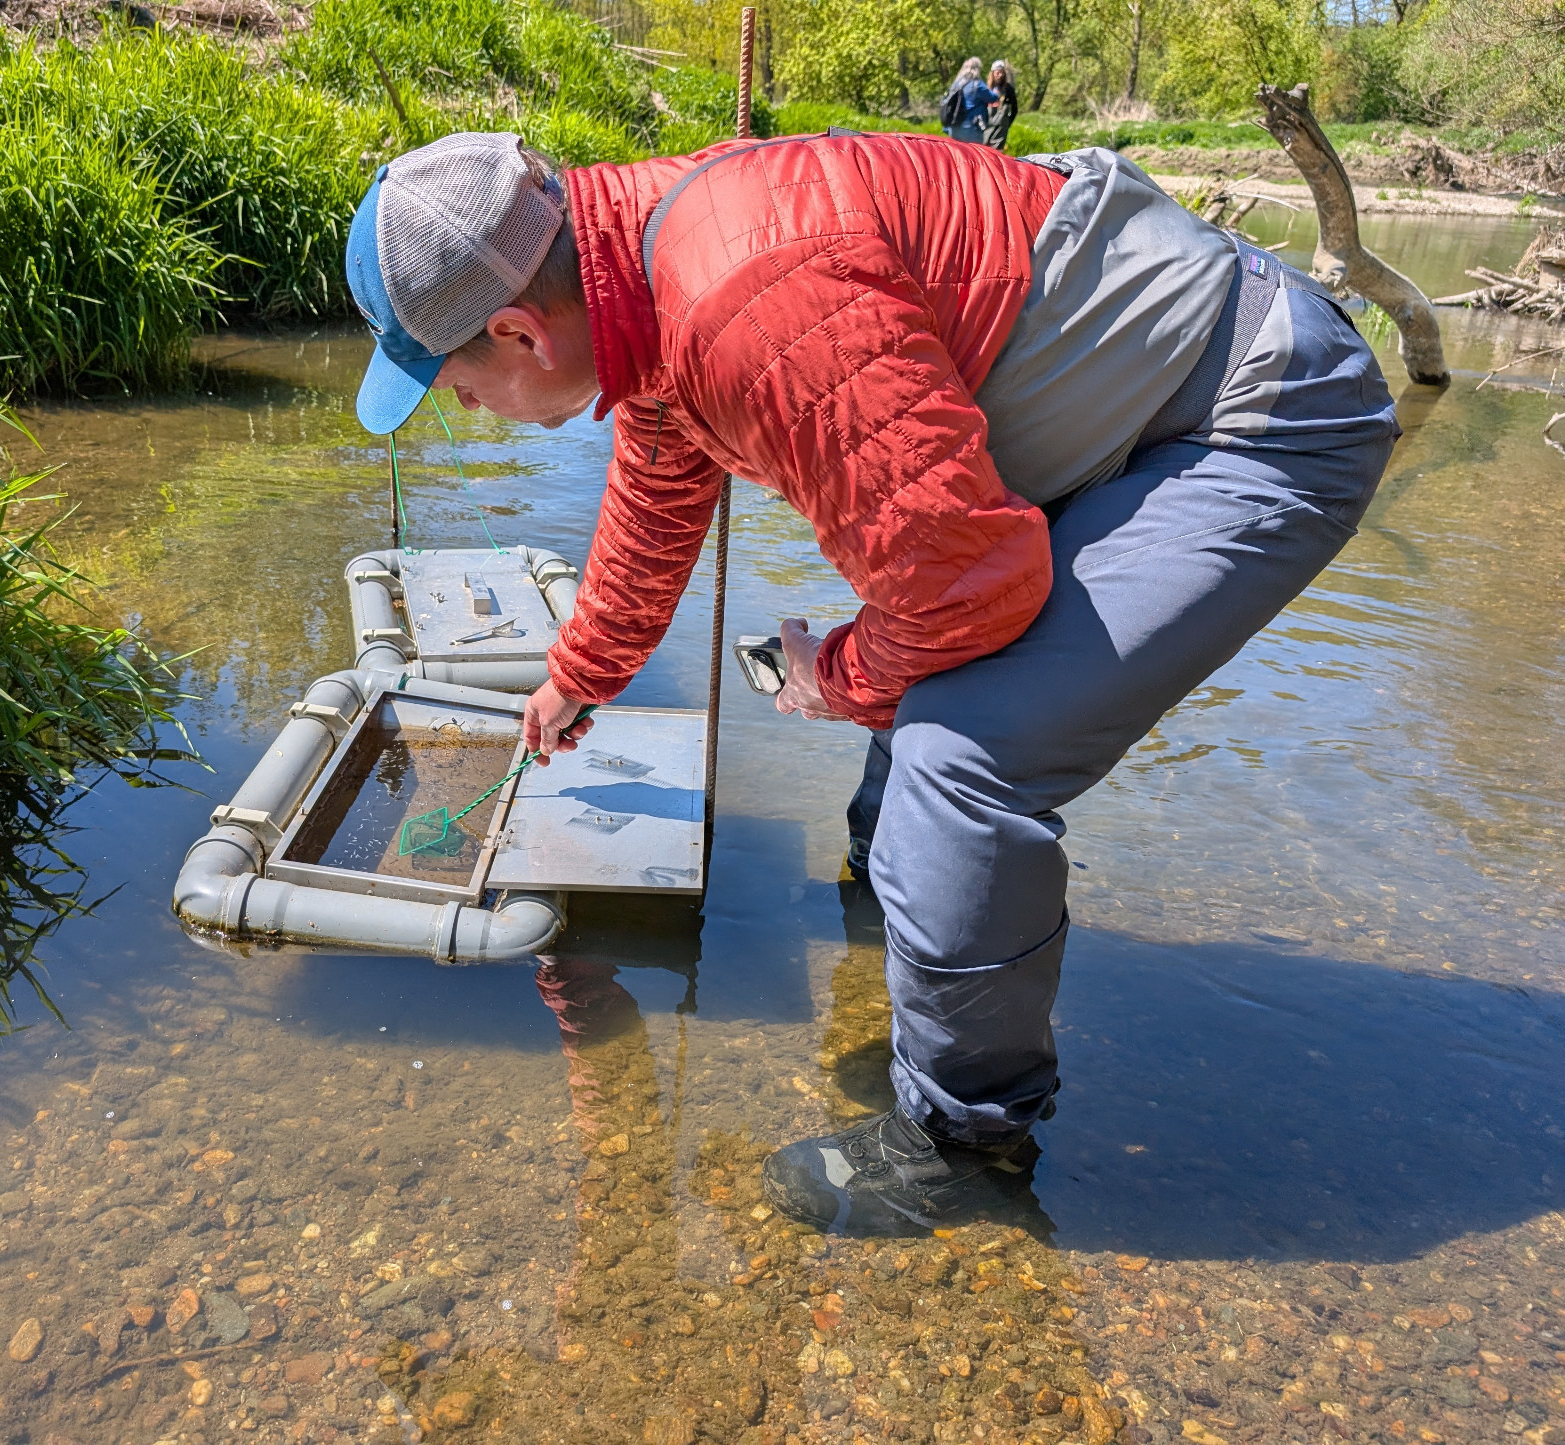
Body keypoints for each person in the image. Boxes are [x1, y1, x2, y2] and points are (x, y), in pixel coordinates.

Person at [342, 129, 1398, 1231]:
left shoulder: (744, 303)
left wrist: (831, 676)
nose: (471, 409)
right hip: (1124, 407)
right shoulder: (637, 265)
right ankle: (904, 919)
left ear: (519, 330)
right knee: (919, 689)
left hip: (1251, 413)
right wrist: (578, 675)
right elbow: (659, 490)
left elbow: (966, 594)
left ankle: (963, 1143)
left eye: (460, 386)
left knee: (961, 748)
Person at [941, 56, 996, 145]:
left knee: (957, 153)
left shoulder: (956, 84)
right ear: (977, 69)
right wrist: (996, 88)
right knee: (973, 153)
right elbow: (992, 98)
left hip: (954, 127)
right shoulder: (977, 85)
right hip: (971, 128)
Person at [984, 59, 1019, 151]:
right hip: (986, 128)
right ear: (992, 73)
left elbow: (1014, 108)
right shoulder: (986, 89)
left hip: (1000, 129)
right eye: (998, 73)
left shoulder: (1008, 89)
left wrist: (1007, 123)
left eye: (1002, 72)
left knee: (996, 152)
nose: (1000, 75)